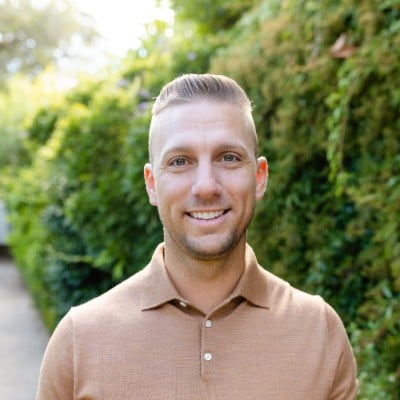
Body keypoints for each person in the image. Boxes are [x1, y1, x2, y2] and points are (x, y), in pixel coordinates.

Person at [36, 74, 358, 399]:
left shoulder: (320, 331)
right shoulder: (80, 341)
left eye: (229, 158)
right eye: (180, 162)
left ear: (260, 177)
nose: (206, 186)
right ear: (152, 184)